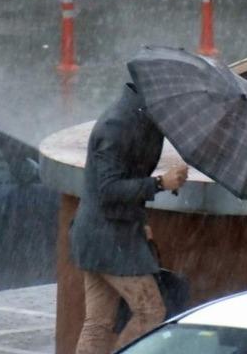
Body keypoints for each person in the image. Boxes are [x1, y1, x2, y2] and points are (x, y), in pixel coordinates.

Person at [70, 82, 189, 354]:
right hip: (108, 239)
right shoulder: (118, 126)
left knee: (98, 323)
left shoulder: (138, 119)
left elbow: (125, 176)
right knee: (150, 311)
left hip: (102, 234)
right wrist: (160, 183)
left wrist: (141, 219)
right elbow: (108, 189)